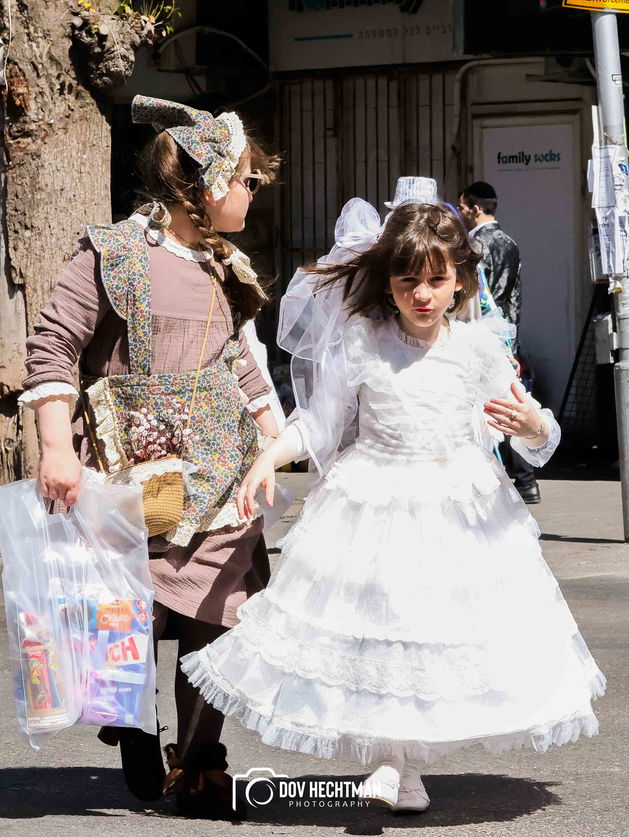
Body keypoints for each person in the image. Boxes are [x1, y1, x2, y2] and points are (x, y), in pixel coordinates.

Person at [183, 201, 604, 816]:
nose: (422, 295)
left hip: (460, 504)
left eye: (436, 279)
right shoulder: (364, 341)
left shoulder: (479, 347)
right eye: (409, 281)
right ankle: (391, 762)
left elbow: (534, 431)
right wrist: (270, 455)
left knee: (429, 634)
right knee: (382, 630)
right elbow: (321, 423)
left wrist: (533, 425)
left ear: (460, 281)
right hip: (373, 496)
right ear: (387, 283)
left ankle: (406, 764)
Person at [21, 95, 281, 816]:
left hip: (219, 472)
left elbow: (236, 360)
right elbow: (54, 344)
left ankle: (200, 763)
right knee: (130, 611)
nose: (253, 192)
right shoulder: (114, 252)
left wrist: (276, 435)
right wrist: (55, 447)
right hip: (128, 469)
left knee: (219, 609)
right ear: (208, 183)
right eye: (246, 180)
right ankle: (131, 717)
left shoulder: (226, 266)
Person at [457, 180, 538, 502]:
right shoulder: (510, 241)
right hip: (507, 330)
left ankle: (508, 476)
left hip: (483, 329)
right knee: (509, 399)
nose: (460, 213)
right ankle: (526, 479)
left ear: (475, 208)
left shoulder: (476, 245)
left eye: (462, 207)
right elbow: (513, 293)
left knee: (486, 405)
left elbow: (480, 297)